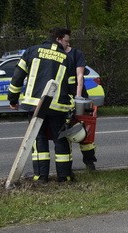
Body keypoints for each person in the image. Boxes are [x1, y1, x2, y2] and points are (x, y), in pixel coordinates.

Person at [7, 27, 77, 183]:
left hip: (35, 106)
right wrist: (71, 105)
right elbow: (72, 86)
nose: (68, 45)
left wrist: (13, 99)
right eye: (66, 41)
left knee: (39, 139)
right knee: (61, 140)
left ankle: (41, 177)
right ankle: (64, 176)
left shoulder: (32, 51)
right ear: (58, 39)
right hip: (58, 107)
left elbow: (17, 77)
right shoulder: (67, 58)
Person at [62, 35, 97, 170]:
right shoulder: (56, 54)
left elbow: (80, 76)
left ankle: (89, 161)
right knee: (65, 131)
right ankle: (66, 165)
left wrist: (78, 96)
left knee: (86, 130)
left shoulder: (77, 54)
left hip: (80, 99)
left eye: (66, 40)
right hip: (63, 98)